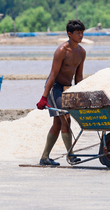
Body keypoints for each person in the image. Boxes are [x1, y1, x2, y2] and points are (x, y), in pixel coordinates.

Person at [36, 19, 86, 166]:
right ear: (69, 34)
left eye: (82, 32)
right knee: (65, 118)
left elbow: (78, 77)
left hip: (67, 88)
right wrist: (44, 97)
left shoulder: (82, 52)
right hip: (54, 88)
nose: (81, 35)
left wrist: (80, 93)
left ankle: (45, 157)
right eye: (78, 33)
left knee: (58, 123)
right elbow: (52, 74)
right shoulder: (61, 51)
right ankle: (70, 155)